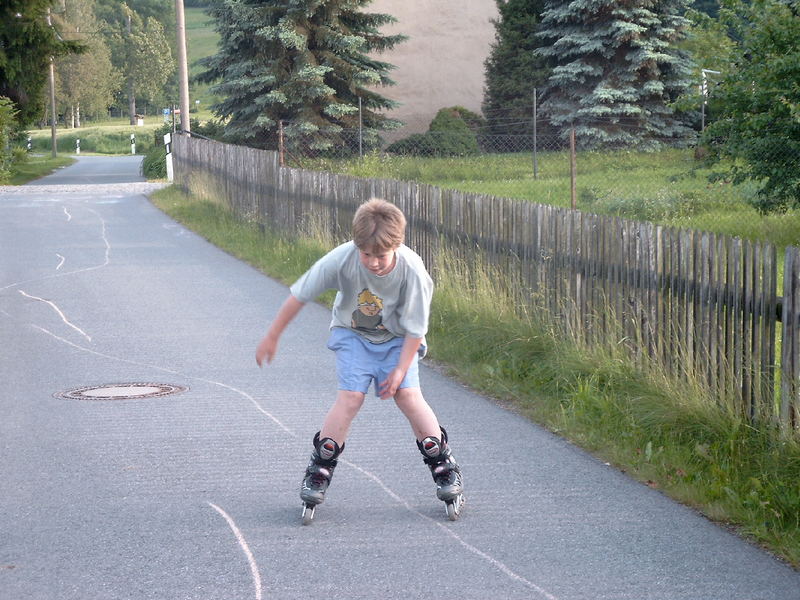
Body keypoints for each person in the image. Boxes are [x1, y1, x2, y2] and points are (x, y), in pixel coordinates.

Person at [255, 198, 463, 519]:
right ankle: (320, 466)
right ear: (356, 246)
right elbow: (301, 293)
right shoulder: (343, 259)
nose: (373, 262)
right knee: (351, 398)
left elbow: (416, 330)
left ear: (397, 245)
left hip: (398, 339)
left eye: (381, 255)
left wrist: (398, 372)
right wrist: (272, 335)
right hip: (353, 335)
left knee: (407, 395)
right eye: (366, 254)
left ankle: (442, 462)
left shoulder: (413, 271)